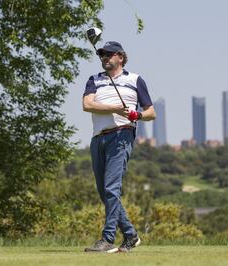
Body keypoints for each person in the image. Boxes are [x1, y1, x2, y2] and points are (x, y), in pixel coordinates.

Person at [82, 41, 156, 253]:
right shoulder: (94, 80)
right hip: (98, 138)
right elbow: (87, 105)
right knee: (104, 192)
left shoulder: (135, 80)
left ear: (121, 57)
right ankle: (131, 235)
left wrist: (137, 114)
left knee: (111, 188)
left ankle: (107, 239)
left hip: (121, 136)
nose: (105, 57)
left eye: (110, 55)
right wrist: (116, 108)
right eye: (103, 54)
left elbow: (151, 112)